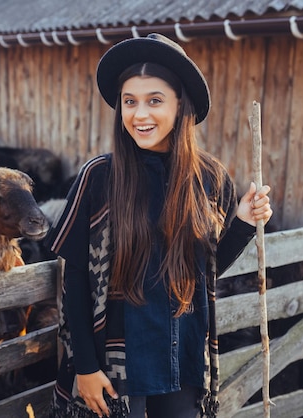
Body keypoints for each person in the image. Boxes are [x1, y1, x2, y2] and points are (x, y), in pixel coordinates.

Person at [46, 33, 273, 418]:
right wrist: (85, 365)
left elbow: (207, 268)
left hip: (182, 354)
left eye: (155, 101)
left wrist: (243, 224)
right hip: (116, 361)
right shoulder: (99, 177)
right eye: (129, 102)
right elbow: (76, 281)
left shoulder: (210, 177)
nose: (140, 115)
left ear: (180, 104)